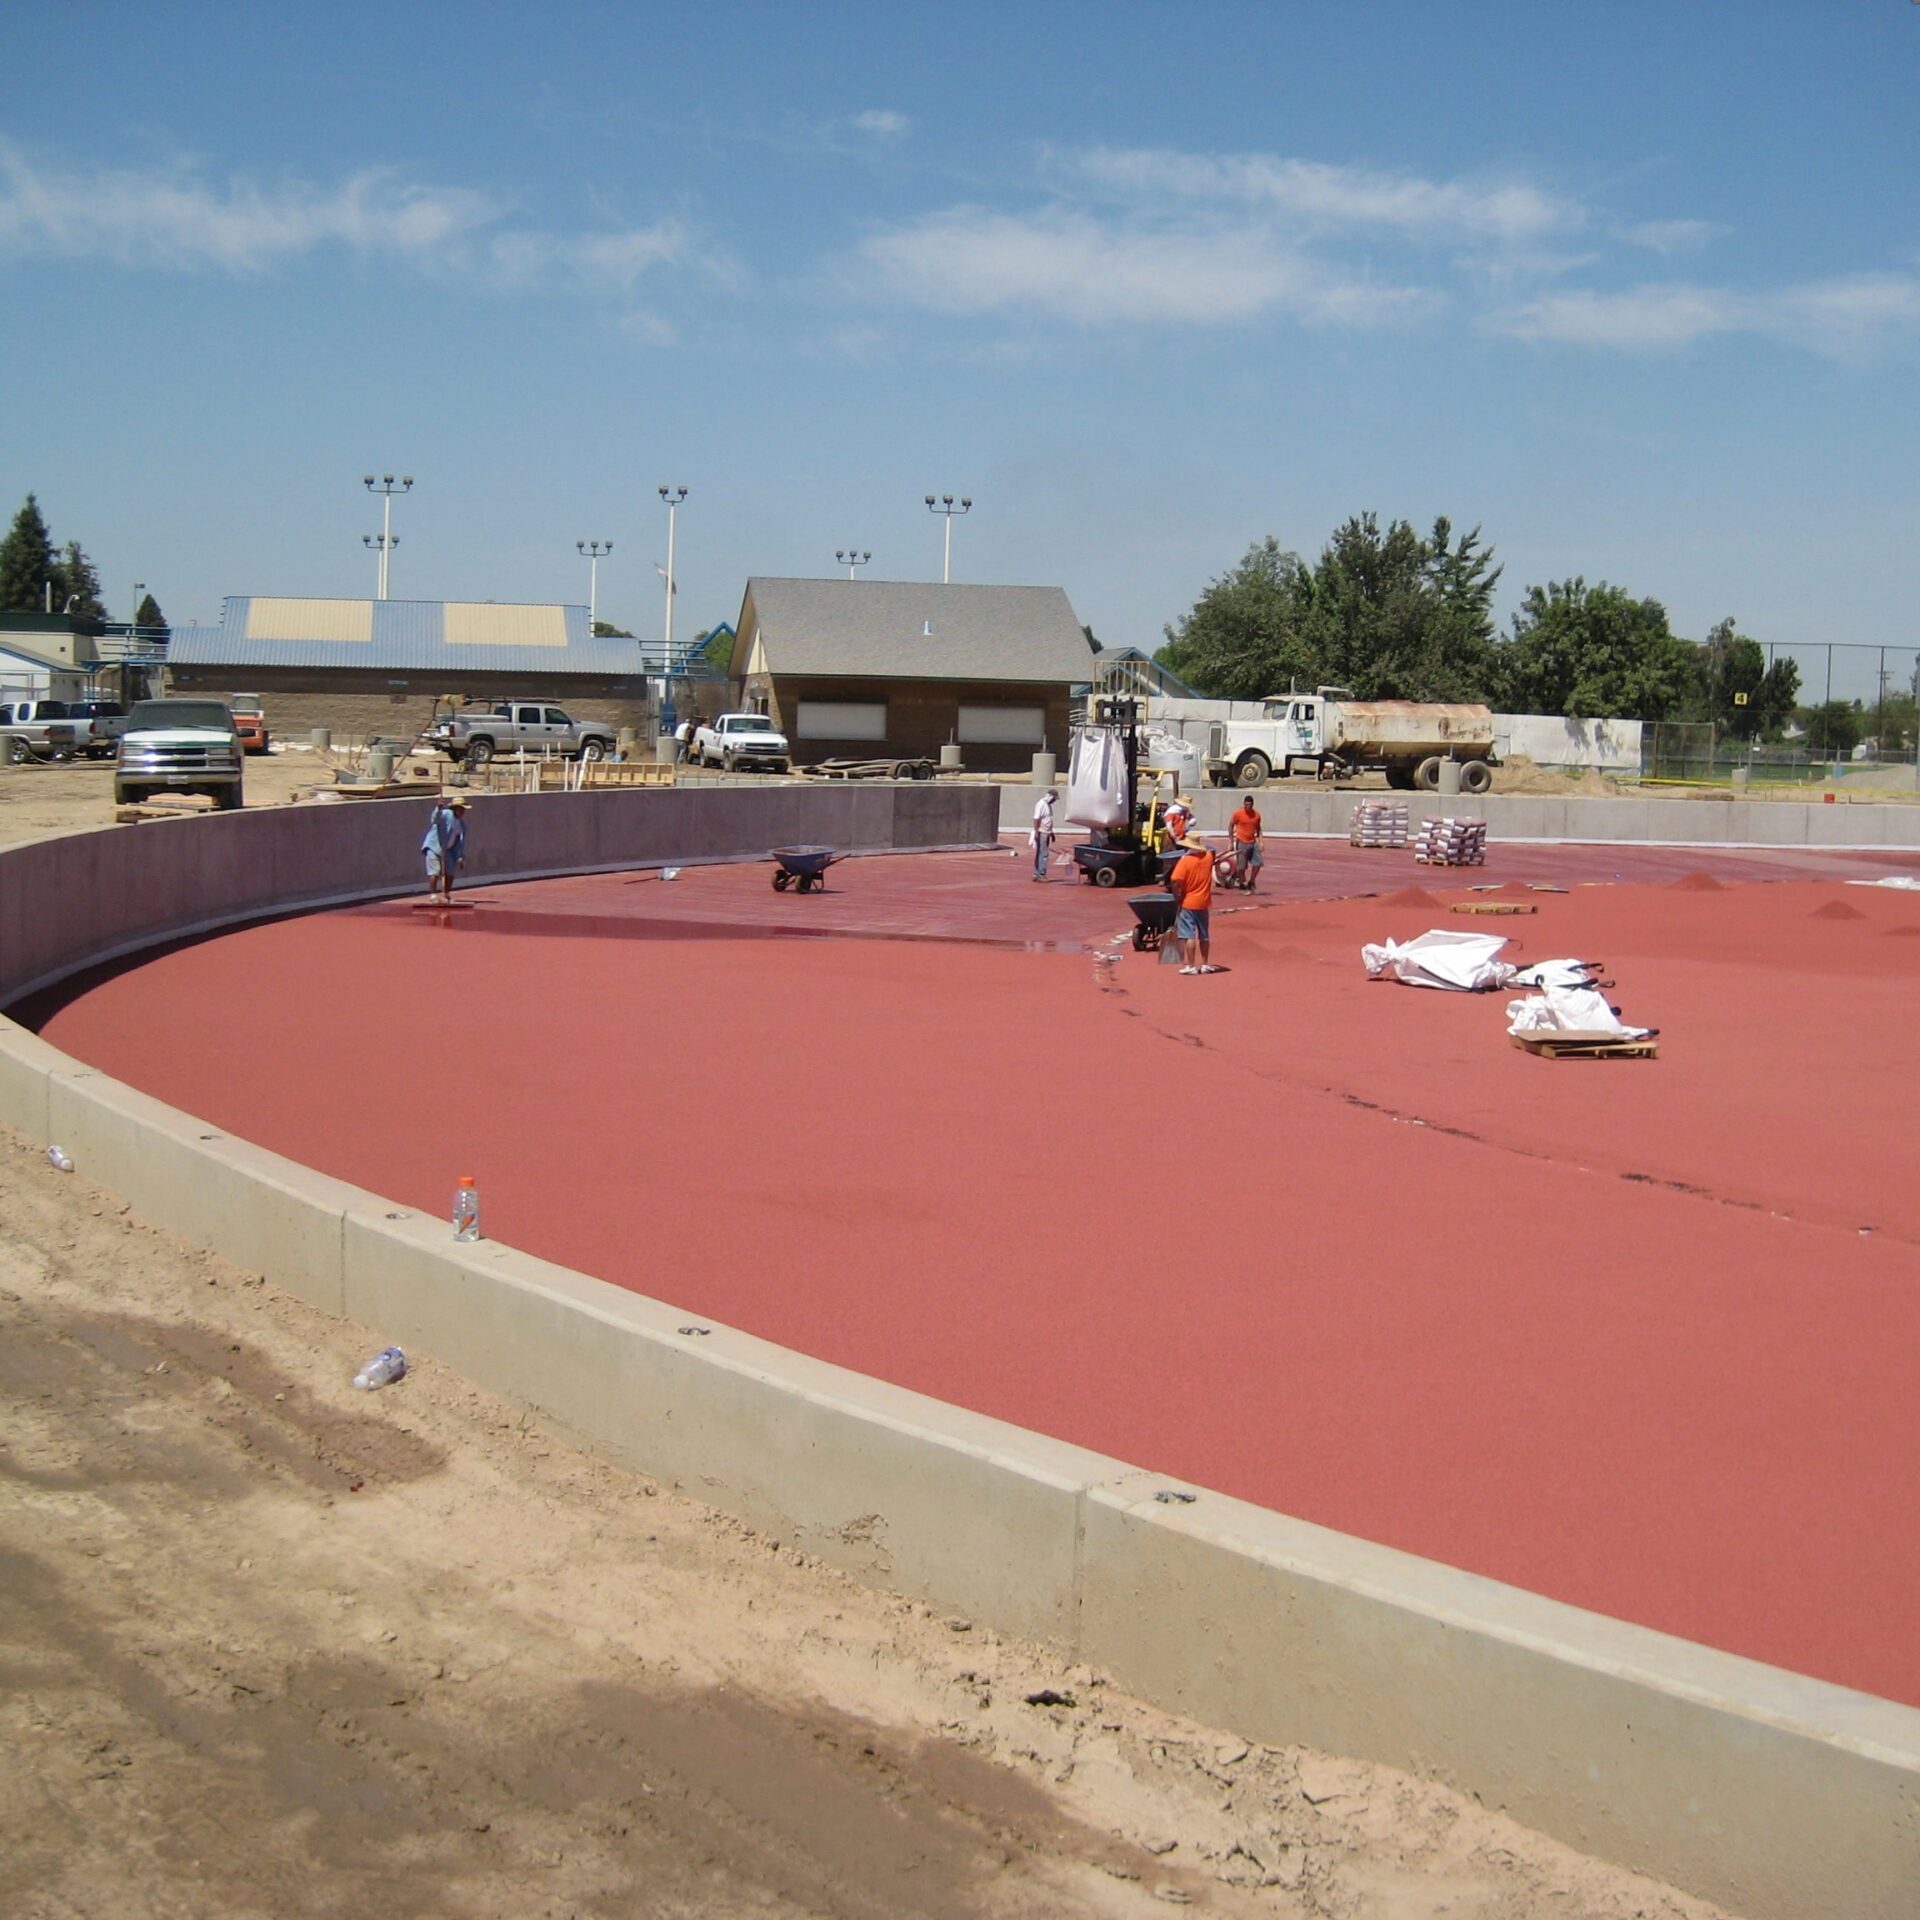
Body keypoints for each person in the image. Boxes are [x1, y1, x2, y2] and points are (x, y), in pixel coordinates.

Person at [1169, 833, 1220, 974]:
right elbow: (1212, 852)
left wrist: (1177, 895)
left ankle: (1191, 966)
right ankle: (1205, 964)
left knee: (1188, 935)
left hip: (1188, 902)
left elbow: (1174, 880)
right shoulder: (1208, 857)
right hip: (1204, 902)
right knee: (1204, 934)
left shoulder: (1185, 861)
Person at [422, 794, 469, 902]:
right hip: (434, 847)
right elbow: (435, 819)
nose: (462, 811)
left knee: (450, 871)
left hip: (447, 850)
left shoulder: (462, 825)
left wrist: (460, 857)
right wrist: (438, 808)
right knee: (435, 870)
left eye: (463, 809)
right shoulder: (445, 814)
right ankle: (433, 895)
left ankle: (446, 894)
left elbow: (459, 843)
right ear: (454, 808)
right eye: (460, 809)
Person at [1229, 795, 1263, 891]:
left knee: (1258, 863)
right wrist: (1231, 842)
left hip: (1252, 842)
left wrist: (1261, 842)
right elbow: (1230, 826)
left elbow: (1259, 829)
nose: (1248, 806)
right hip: (1241, 842)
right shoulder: (1238, 813)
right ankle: (1241, 884)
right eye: (1246, 804)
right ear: (1244, 804)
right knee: (1241, 867)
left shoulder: (1256, 815)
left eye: (1250, 805)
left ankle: (1251, 882)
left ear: (1252, 805)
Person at [1029, 786, 1057, 881]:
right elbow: (1036, 818)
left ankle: (1036, 873)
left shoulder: (1047, 805)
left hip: (1046, 832)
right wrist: (1037, 831)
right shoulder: (1041, 804)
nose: (1054, 801)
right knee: (1043, 854)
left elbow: (1047, 819)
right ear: (1050, 797)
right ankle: (1041, 874)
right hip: (1042, 832)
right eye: (1054, 798)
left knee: (1040, 853)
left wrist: (1052, 833)